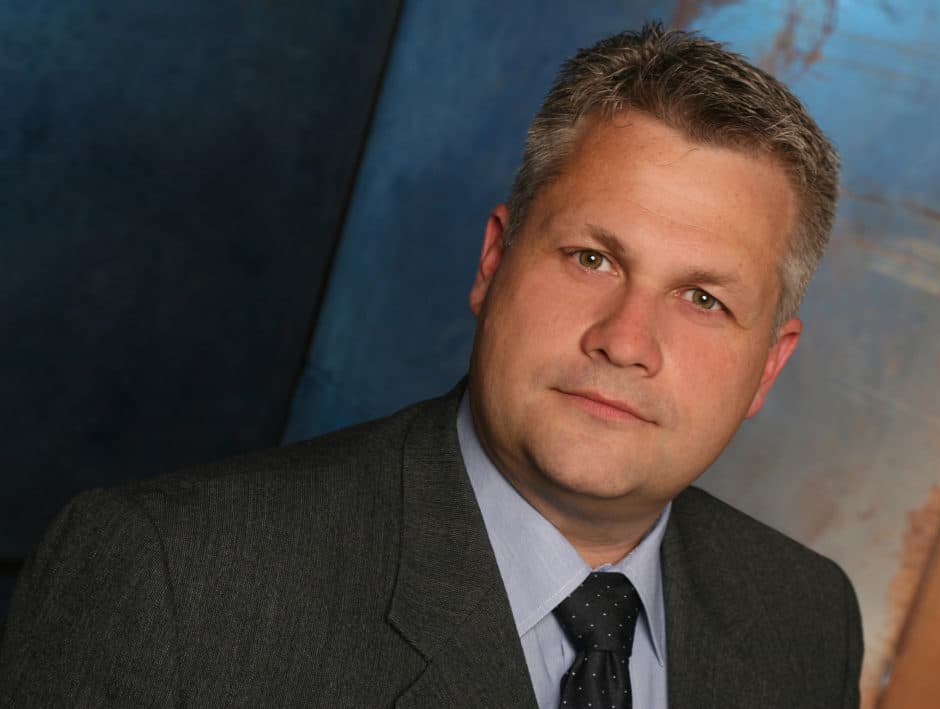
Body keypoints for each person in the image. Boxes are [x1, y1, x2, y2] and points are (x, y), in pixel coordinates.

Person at [0, 23, 862, 708]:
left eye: (704, 298)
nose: (625, 340)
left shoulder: (807, 619)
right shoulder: (169, 582)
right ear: (493, 261)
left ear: (768, 367)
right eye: (591, 258)